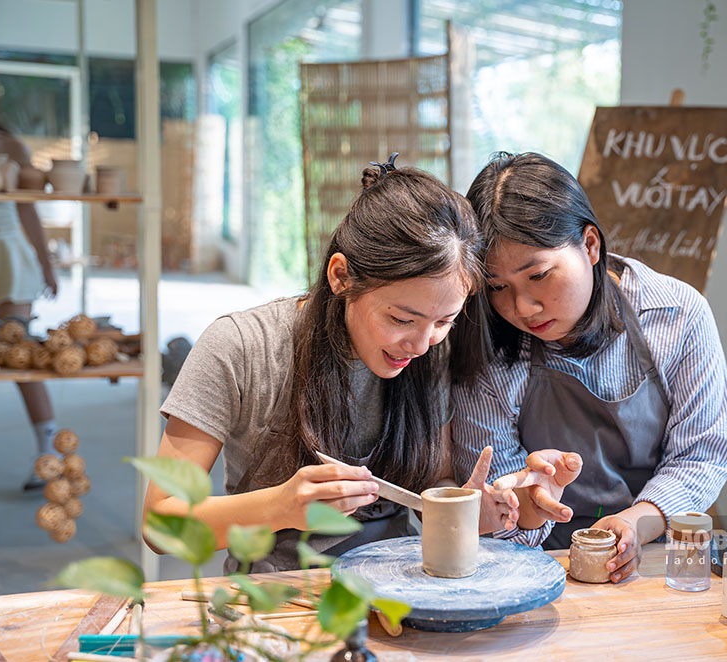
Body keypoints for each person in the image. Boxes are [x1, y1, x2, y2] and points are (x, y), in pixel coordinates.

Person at [149, 156, 522, 572]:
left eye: (444, 322)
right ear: (341, 276)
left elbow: (432, 481)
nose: (420, 344)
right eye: (401, 319)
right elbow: (161, 521)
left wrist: (466, 511)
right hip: (274, 600)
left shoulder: (433, 352)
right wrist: (281, 507)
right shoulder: (240, 346)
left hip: (397, 592)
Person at [451, 152, 727, 583]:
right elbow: (495, 512)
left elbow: (703, 456)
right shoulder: (487, 346)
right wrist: (526, 506)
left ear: (589, 245)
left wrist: (636, 522)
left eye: (540, 275)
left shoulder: (677, 315)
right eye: (497, 287)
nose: (522, 307)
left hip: (657, 557)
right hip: (534, 570)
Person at [0, 58, 60, 490]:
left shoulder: (11, 147)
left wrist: (47, 265)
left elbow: (28, 209)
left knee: (20, 349)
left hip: (6, 250)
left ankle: (48, 449)